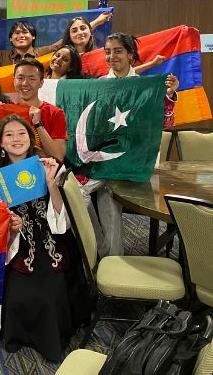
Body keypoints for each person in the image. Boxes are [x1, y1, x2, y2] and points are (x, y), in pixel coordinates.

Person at [0, 114, 90, 361]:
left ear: (30, 138)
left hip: (53, 238)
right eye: (8, 135)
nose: (16, 139)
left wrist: (52, 184)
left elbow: (63, 220)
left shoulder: (48, 166)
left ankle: (53, 337)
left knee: (49, 294)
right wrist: (10, 225)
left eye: (21, 133)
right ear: (1, 143)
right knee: (18, 296)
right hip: (19, 244)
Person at [78, 32, 179, 258]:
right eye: (107, 51)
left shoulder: (146, 86)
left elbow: (166, 123)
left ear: (131, 55)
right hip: (105, 157)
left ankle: (110, 257)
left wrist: (168, 95)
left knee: (100, 196)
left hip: (133, 158)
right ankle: (105, 250)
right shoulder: (99, 86)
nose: (111, 56)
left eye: (118, 51)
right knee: (86, 195)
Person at [12, 59, 68, 161]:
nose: (25, 83)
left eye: (32, 79)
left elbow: (58, 156)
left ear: (41, 83)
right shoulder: (7, 111)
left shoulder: (55, 113)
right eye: (20, 78)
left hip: (44, 173)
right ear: (14, 80)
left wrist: (38, 125)